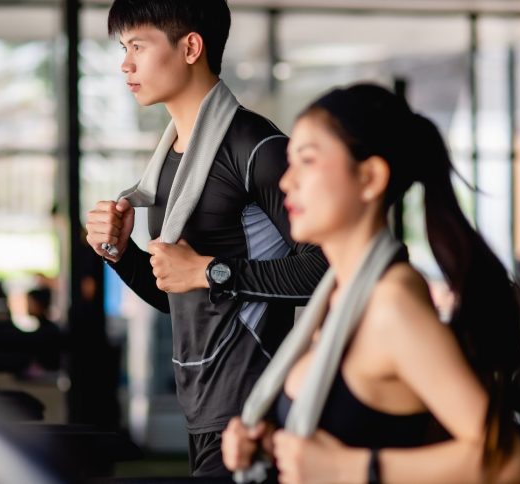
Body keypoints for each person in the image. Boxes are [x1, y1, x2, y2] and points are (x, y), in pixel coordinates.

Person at [222, 84, 520, 483]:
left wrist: (347, 469)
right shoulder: (338, 294)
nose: (286, 182)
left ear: (369, 178)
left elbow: (509, 461)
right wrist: (271, 445)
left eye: (307, 161)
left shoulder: (390, 304)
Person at [84, 0, 328, 477]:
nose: (125, 63)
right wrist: (118, 252)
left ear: (191, 46)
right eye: (123, 48)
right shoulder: (174, 158)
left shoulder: (255, 146)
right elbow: (175, 294)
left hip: (254, 405)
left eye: (138, 45)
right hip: (201, 408)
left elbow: (327, 269)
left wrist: (208, 269)